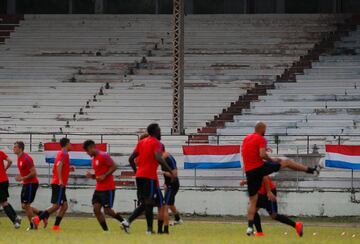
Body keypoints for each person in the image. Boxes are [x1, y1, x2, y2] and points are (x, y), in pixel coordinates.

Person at [241, 122, 322, 236]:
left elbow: (250, 154)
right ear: (262, 129)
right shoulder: (260, 138)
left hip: (250, 171)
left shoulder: (246, 139)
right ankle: (312, 170)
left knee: (253, 202)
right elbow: (262, 155)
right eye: (265, 130)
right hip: (260, 169)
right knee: (286, 162)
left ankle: (250, 228)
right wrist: (271, 160)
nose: (265, 132)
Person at [122, 123, 174, 235]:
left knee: (149, 203)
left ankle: (132, 223)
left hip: (141, 176)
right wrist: (171, 171)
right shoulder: (157, 143)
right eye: (159, 130)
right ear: (155, 131)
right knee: (149, 203)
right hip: (149, 177)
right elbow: (158, 158)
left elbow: (131, 159)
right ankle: (150, 229)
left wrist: (136, 172)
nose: (160, 132)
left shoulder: (141, 143)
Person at [32, 138, 75, 231]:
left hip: (57, 183)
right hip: (59, 183)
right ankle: (37, 219)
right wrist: (60, 180)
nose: (71, 146)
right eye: (70, 144)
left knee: (64, 206)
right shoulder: (64, 153)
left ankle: (56, 226)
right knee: (56, 206)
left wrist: (68, 169)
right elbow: (59, 165)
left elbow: (55, 168)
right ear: (66, 144)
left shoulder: (60, 153)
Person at [83, 140, 125, 231]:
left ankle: (124, 222)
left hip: (108, 188)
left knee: (107, 211)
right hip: (98, 188)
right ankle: (106, 231)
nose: (87, 153)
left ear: (91, 147)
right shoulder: (93, 160)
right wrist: (92, 176)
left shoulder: (103, 155)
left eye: (87, 151)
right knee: (96, 209)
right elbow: (99, 176)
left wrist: (105, 175)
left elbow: (114, 166)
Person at [13, 141, 40, 231]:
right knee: (24, 206)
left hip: (31, 183)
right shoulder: (19, 158)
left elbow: (34, 173)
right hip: (26, 183)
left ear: (20, 148)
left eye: (15, 147)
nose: (14, 148)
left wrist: (22, 178)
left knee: (27, 205)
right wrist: (22, 178)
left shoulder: (26, 158)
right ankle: (41, 214)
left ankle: (33, 226)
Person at [160, 148, 182, 234]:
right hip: (169, 184)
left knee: (165, 206)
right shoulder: (164, 158)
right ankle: (178, 219)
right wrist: (165, 183)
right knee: (170, 203)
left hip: (172, 184)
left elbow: (174, 174)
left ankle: (165, 230)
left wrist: (163, 173)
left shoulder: (169, 158)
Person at [0, 150, 22, 229]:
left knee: (4, 203)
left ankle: (15, 222)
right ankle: (16, 217)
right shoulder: (1, 152)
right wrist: (4, 169)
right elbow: (10, 161)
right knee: (4, 201)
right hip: (4, 180)